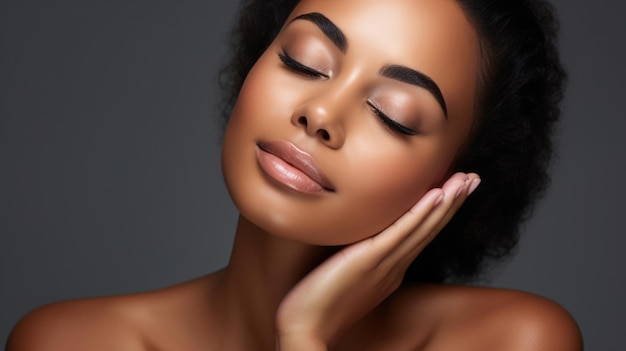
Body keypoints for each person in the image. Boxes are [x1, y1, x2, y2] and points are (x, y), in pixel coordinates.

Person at [7, 0, 582, 350]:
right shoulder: (68, 343)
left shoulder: (514, 341)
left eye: (393, 114)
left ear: (456, 181)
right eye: (304, 60)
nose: (321, 113)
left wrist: (303, 339)